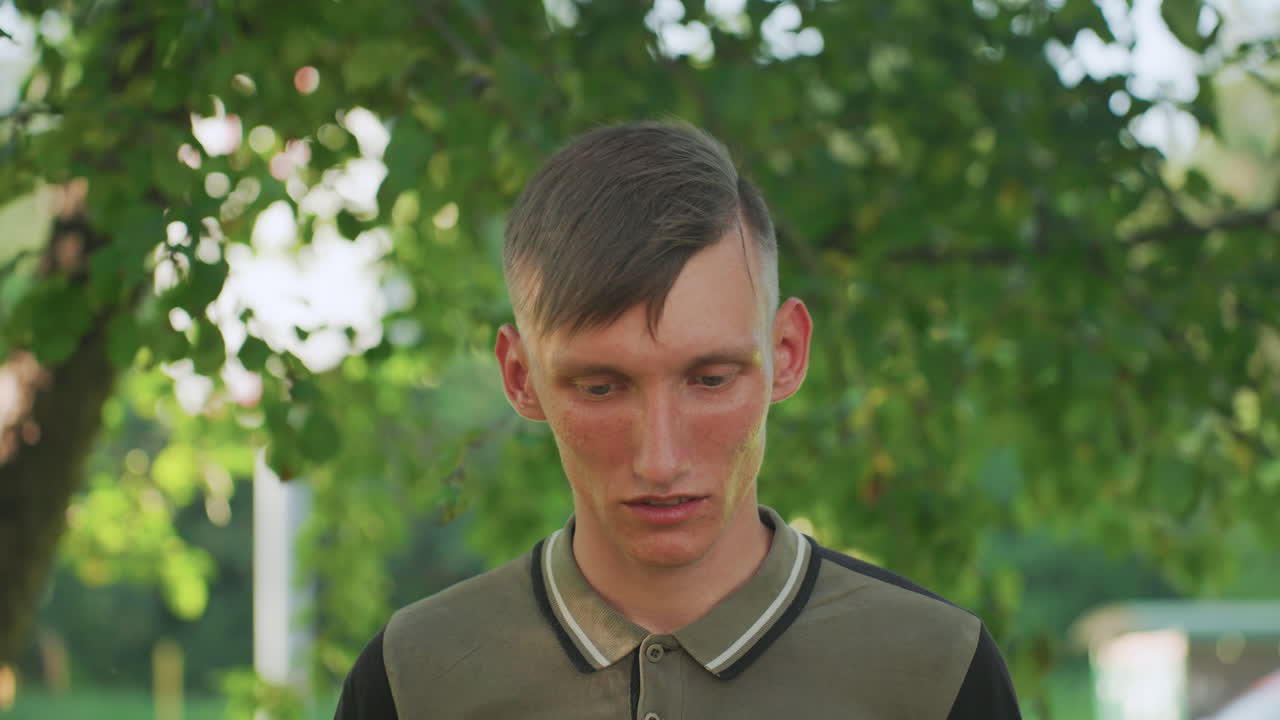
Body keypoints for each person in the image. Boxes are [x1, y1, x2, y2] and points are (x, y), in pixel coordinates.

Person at [335, 121, 1022, 719]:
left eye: (711, 380)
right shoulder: (410, 681)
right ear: (520, 377)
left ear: (787, 354)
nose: (660, 461)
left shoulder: (937, 674)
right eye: (600, 387)